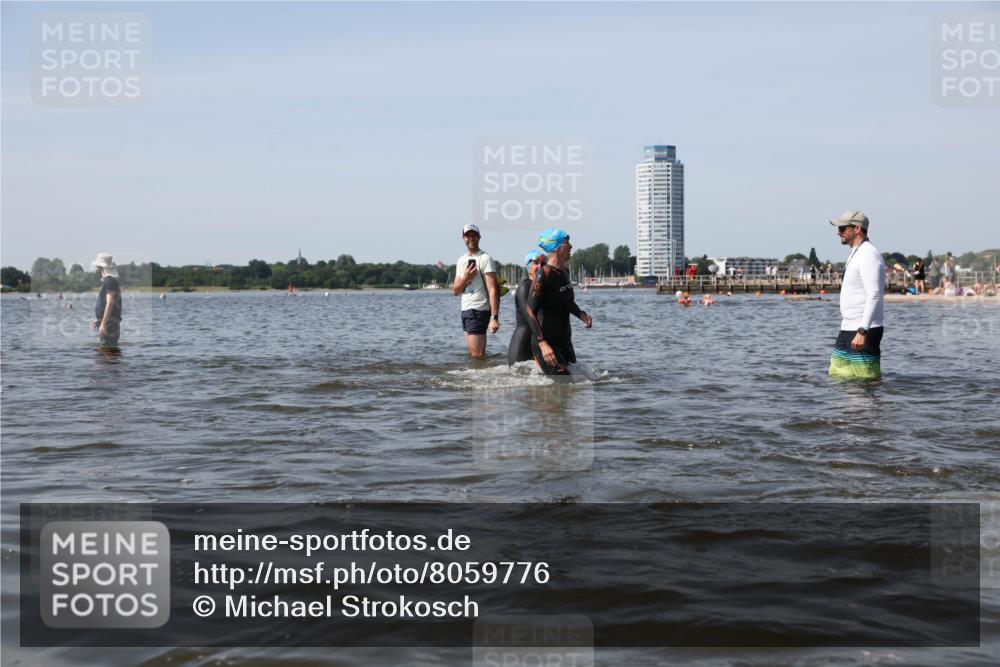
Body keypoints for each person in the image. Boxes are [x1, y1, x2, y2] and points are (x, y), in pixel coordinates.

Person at [524, 228, 592, 375]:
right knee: (563, 384)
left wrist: (580, 314)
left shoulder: (564, 272)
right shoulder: (544, 275)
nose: (571, 246)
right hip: (547, 343)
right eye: (568, 243)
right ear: (558, 248)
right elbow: (529, 311)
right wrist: (542, 344)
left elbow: (567, 302)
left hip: (565, 342)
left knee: (574, 386)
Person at [827, 211, 885, 380]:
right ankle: (846, 408)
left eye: (843, 228)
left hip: (863, 329)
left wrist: (862, 330)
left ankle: (867, 407)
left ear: (857, 228)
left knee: (865, 380)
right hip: (848, 327)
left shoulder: (869, 254)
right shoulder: (856, 252)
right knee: (837, 374)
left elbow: (874, 294)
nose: (839, 232)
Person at [451, 224, 499, 358]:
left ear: (479, 237)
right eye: (468, 235)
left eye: (474, 235)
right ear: (463, 238)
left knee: (476, 354)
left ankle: (478, 377)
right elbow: (455, 291)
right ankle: (480, 377)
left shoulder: (485, 258)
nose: (471, 238)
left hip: (479, 309)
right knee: (475, 355)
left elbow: (492, 289)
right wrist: (466, 277)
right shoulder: (461, 260)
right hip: (466, 309)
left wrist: (494, 318)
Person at [507, 250, 545, 367]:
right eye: (535, 263)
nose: (539, 266)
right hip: (522, 345)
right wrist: (542, 343)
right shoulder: (525, 287)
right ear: (528, 267)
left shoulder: (542, 286)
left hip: (536, 341)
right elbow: (529, 316)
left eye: (542, 264)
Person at [91, 253, 122, 348]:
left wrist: (103, 323)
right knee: (106, 357)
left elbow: (110, 302)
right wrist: (99, 320)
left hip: (109, 325)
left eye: (97, 265)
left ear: (100, 266)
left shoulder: (109, 281)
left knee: (106, 358)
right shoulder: (108, 281)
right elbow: (106, 304)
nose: (96, 267)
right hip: (109, 323)